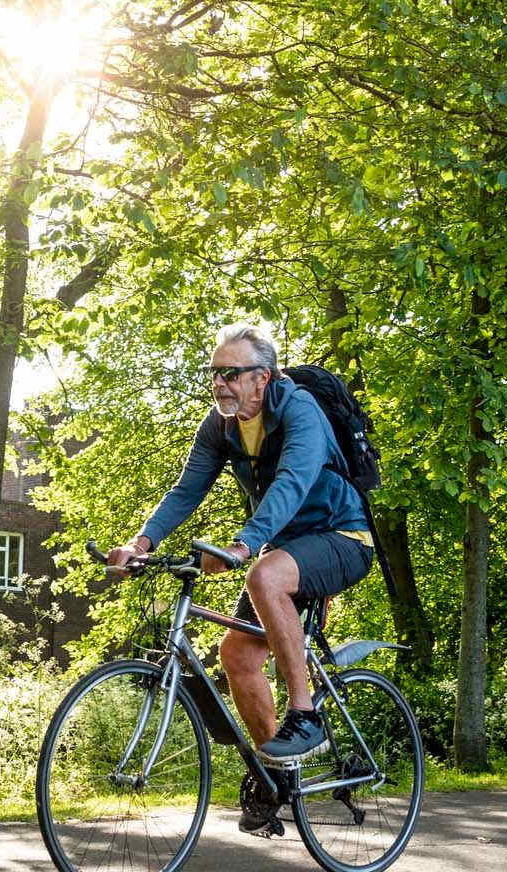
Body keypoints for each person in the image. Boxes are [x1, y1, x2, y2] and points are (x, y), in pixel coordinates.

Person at [104, 323, 375, 834]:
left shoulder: (300, 412)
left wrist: (244, 544)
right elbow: (186, 490)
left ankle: (306, 715)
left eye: (231, 373)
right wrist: (141, 544)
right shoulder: (221, 425)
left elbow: (294, 482)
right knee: (237, 655)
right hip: (285, 547)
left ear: (262, 378)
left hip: (342, 537)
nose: (220, 383)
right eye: (214, 374)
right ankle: (279, 775)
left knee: (263, 575)